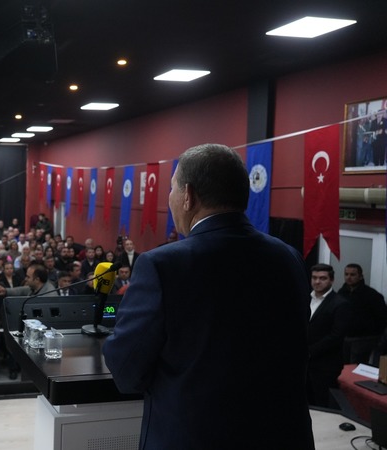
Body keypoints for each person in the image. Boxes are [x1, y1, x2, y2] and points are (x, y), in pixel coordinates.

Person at [102, 144, 314, 448]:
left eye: (172, 188)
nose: (170, 198)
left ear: (188, 195)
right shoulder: (289, 257)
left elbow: (125, 371)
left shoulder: (162, 265)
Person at [307, 263, 352, 407]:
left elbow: (336, 335)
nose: (317, 281)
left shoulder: (340, 303)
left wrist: (309, 351)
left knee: (322, 404)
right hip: (305, 363)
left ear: (331, 280)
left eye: (322, 278)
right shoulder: (306, 298)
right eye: (314, 278)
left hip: (325, 365)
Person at [338, 263, 387, 339]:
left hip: (364, 338)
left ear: (360, 276)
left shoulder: (372, 295)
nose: (348, 277)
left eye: (352, 275)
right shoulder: (341, 293)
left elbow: (382, 319)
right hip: (344, 337)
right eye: (346, 274)